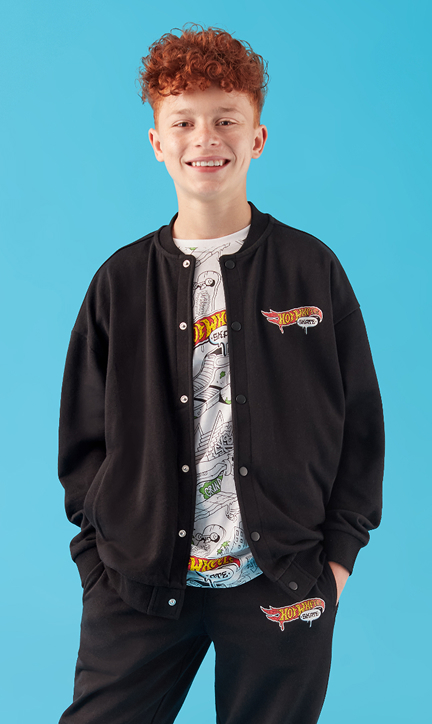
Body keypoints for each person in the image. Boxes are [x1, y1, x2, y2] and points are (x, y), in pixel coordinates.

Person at [58, 24, 384, 724]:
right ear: (157, 142)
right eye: (183, 121)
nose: (205, 138)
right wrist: (97, 566)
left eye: (226, 119)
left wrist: (337, 563)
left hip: (283, 580)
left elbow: (360, 424)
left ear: (257, 137)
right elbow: (82, 442)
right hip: (140, 581)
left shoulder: (311, 268)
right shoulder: (119, 282)